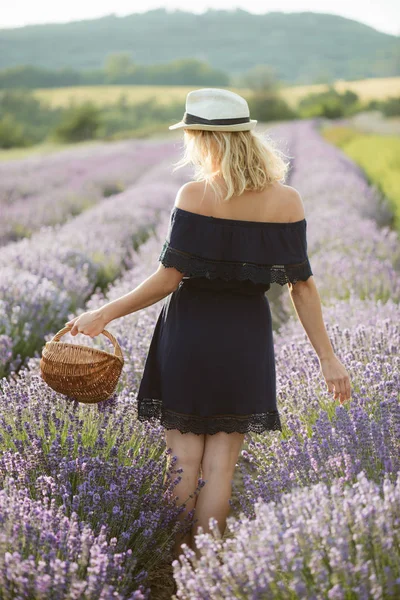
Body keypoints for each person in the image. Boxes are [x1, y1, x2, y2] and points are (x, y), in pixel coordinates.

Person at [65, 88, 352, 562]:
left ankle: (174, 570)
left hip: (190, 333)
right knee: (221, 468)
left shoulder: (196, 194)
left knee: (182, 464)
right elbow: (301, 287)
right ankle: (206, 571)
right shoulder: (288, 200)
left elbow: (167, 279)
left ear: (203, 138)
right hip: (246, 338)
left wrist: (104, 313)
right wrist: (328, 357)